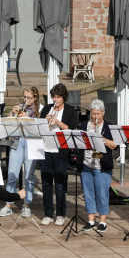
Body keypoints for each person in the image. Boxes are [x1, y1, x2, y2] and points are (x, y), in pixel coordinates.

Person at [39, 83, 79, 226]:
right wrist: (46, 121)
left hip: (61, 151)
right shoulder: (46, 108)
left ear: (63, 98)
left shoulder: (69, 111)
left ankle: (60, 214)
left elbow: (71, 128)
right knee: (46, 183)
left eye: (58, 97)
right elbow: (39, 126)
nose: (55, 100)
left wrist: (58, 122)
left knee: (60, 184)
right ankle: (48, 213)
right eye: (53, 97)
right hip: (46, 150)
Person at [0, 86, 41, 219]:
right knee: (12, 174)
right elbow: (8, 125)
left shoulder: (39, 109)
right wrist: (12, 114)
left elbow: (39, 126)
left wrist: (27, 117)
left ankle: (26, 205)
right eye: (24, 97)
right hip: (17, 142)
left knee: (28, 176)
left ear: (35, 98)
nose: (26, 100)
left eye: (29, 98)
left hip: (31, 144)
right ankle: (9, 204)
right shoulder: (20, 107)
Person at [79, 99, 116, 232]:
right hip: (86, 163)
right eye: (93, 114)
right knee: (88, 193)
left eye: (98, 114)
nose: (95, 117)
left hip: (102, 165)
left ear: (103, 113)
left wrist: (101, 139)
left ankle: (102, 221)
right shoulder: (84, 125)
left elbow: (114, 145)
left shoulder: (108, 127)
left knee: (102, 193)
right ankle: (90, 219)